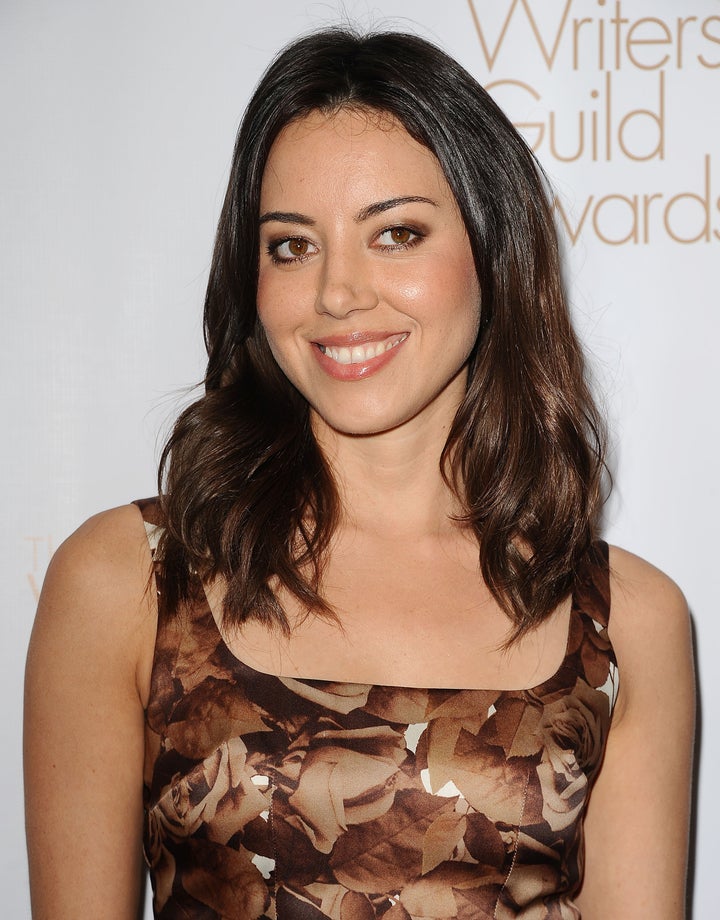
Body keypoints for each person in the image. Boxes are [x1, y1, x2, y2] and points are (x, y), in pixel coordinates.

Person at [24, 27, 695, 920]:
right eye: (292, 247)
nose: (339, 292)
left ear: (494, 251)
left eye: (397, 233)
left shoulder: (628, 622)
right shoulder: (128, 581)